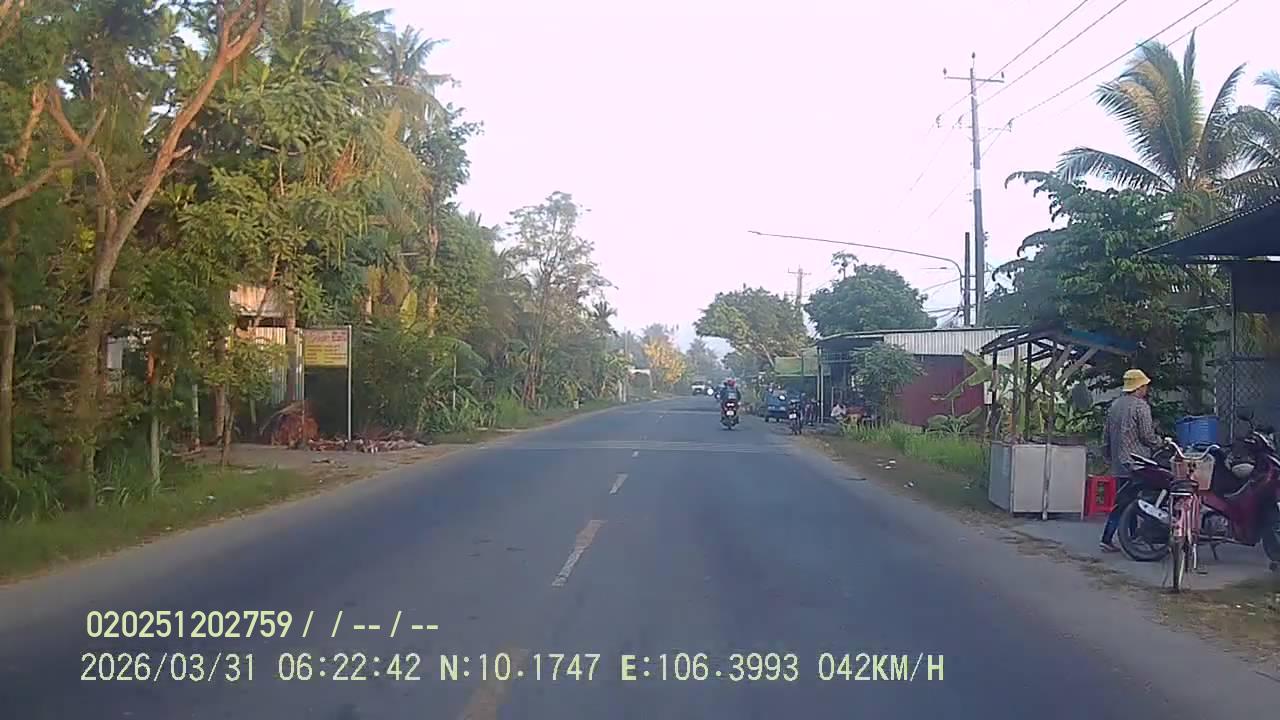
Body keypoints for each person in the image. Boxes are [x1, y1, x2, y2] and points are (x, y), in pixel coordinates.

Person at [1100, 368, 1164, 553]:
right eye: (1145, 386)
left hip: (1119, 462)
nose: (1146, 389)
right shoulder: (1141, 407)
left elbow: (1105, 436)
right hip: (1137, 463)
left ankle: (1132, 536)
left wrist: (1107, 456)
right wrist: (1160, 442)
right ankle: (1109, 537)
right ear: (1139, 387)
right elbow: (1147, 436)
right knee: (1134, 501)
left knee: (1127, 500)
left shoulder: (1115, 406)